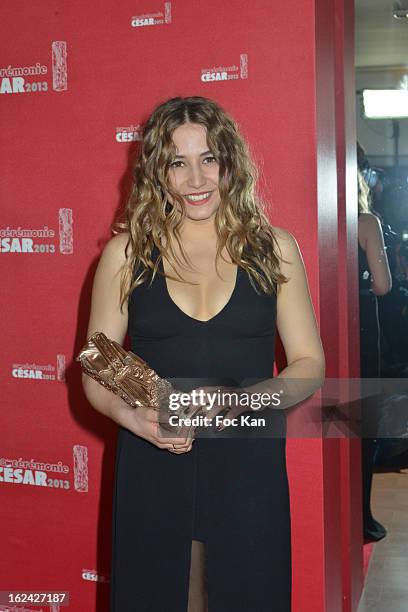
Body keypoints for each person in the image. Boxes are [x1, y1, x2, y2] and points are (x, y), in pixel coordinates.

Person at [81, 96, 325, 611]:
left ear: (230, 163)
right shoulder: (126, 255)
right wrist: (134, 416)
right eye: (178, 162)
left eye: (208, 158)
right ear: (157, 172)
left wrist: (243, 405)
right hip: (154, 458)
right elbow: (96, 369)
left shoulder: (274, 248)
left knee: (246, 594)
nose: (196, 179)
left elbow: (309, 365)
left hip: (247, 462)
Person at [357, 168, 392, 542]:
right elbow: (382, 286)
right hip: (361, 327)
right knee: (364, 426)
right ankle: (361, 517)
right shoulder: (366, 222)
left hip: (321, 325)